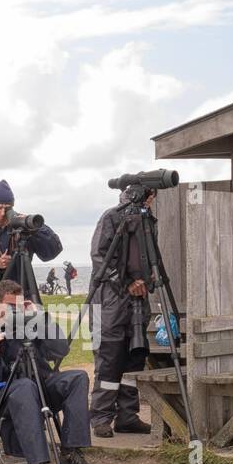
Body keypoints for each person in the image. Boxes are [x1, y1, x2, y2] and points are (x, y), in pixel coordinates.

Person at [0, 279, 95, 464]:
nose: (15, 312)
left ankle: (71, 451)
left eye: (19, 306)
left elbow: (60, 350)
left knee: (77, 378)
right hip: (1, 396)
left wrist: (41, 318)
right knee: (24, 386)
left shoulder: (31, 324)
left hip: (39, 387)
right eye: (10, 307)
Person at [88, 187, 154, 437]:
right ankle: (101, 417)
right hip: (108, 302)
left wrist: (149, 278)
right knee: (108, 359)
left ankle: (127, 416)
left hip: (136, 301)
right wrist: (126, 282)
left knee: (133, 358)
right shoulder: (111, 217)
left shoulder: (148, 220)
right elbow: (99, 258)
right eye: (149, 198)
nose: (151, 203)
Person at [0, 179, 63, 314]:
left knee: (28, 331)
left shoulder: (21, 225)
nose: (2, 213)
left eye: (7, 208)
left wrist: (36, 228)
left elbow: (52, 251)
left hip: (21, 298)